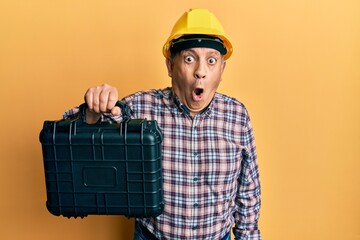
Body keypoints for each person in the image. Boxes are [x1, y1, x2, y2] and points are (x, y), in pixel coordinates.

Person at [64, 8, 261, 240]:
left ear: (222, 69)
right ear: (170, 66)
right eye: (189, 58)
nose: (201, 72)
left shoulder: (237, 115)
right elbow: (73, 133)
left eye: (211, 60)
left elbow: (248, 192)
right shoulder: (140, 108)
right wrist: (93, 111)